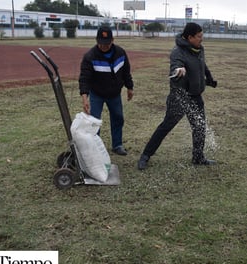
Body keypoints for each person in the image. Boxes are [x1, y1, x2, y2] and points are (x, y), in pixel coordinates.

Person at [137, 22, 217, 170]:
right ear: (190, 37)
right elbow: (176, 65)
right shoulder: (178, 52)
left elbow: (202, 64)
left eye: (202, 36)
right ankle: (145, 156)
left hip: (196, 95)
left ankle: (198, 157)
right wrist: (178, 70)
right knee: (166, 126)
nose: (202, 39)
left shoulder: (199, 49)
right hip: (180, 96)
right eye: (199, 36)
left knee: (199, 126)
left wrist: (209, 78)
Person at [79, 26, 134, 156]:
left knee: (118, 118)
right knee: (94, 121)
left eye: (107, 43)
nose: (104, 46)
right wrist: (85, 98)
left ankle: (117, 145)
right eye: (101, 43)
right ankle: (95, 147)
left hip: (114, 94)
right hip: (97, 94)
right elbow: (84, 78)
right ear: (96, 40)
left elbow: (126, 72)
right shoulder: (90, 56)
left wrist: (130, 87)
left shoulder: (120, 53)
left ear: (112, 40)